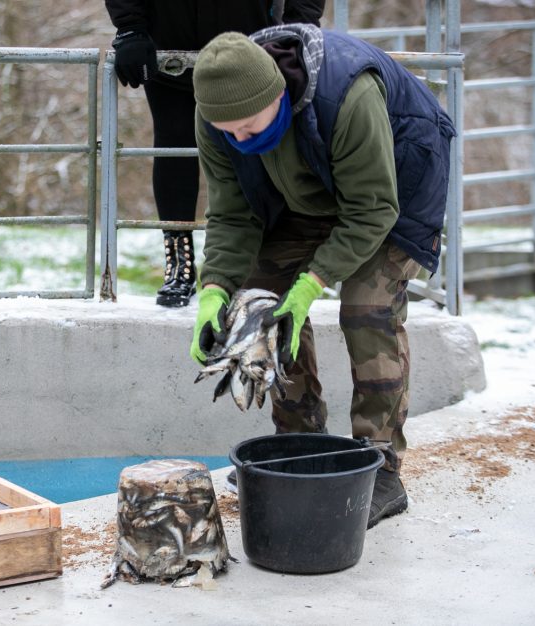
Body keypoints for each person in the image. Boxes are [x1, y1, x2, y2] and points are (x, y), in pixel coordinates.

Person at [188, 26, 455, 527]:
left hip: (393, 192)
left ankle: (381, 466)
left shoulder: (347, 97)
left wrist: (311, 285)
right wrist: (214, 292)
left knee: (366, 308)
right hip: (303, 197)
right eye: (230, 133)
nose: (240, 139)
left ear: (277, 95)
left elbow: (372, 210)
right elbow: (231, 215)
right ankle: (298, 440)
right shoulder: (217, 118)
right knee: (262, 301)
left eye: (248, 126)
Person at [104, 1, 326, 307]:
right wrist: (129, 27)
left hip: (252, 47)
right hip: (168, 47)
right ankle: (179, 262)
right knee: (173, 146)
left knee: (253, 147)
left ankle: (262, 262)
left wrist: (297, 27)